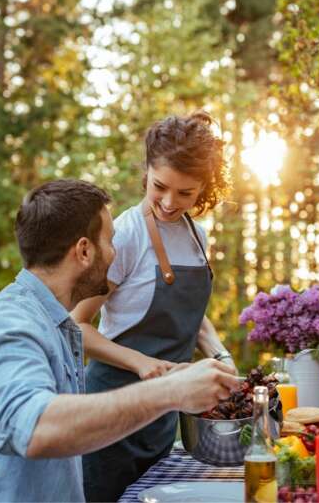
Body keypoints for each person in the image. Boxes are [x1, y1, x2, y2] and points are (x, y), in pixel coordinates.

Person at [0, 179, 240, 503]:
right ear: (84, 251)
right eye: (111, 241)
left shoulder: (56, 322)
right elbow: (36, 428)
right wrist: (170, 392)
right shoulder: (8, 322)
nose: (115, 253)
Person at [71, 111, 234, 501]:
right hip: (110, 412)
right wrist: (141, 363)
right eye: (160, 186)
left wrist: (221, 356)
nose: (169, 202)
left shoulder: (197, 236)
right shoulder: (125, 235)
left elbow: (190, 317)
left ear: (203, 189)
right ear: (146, 171)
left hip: (163, 417)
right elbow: (77, 325)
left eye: (186, 193)